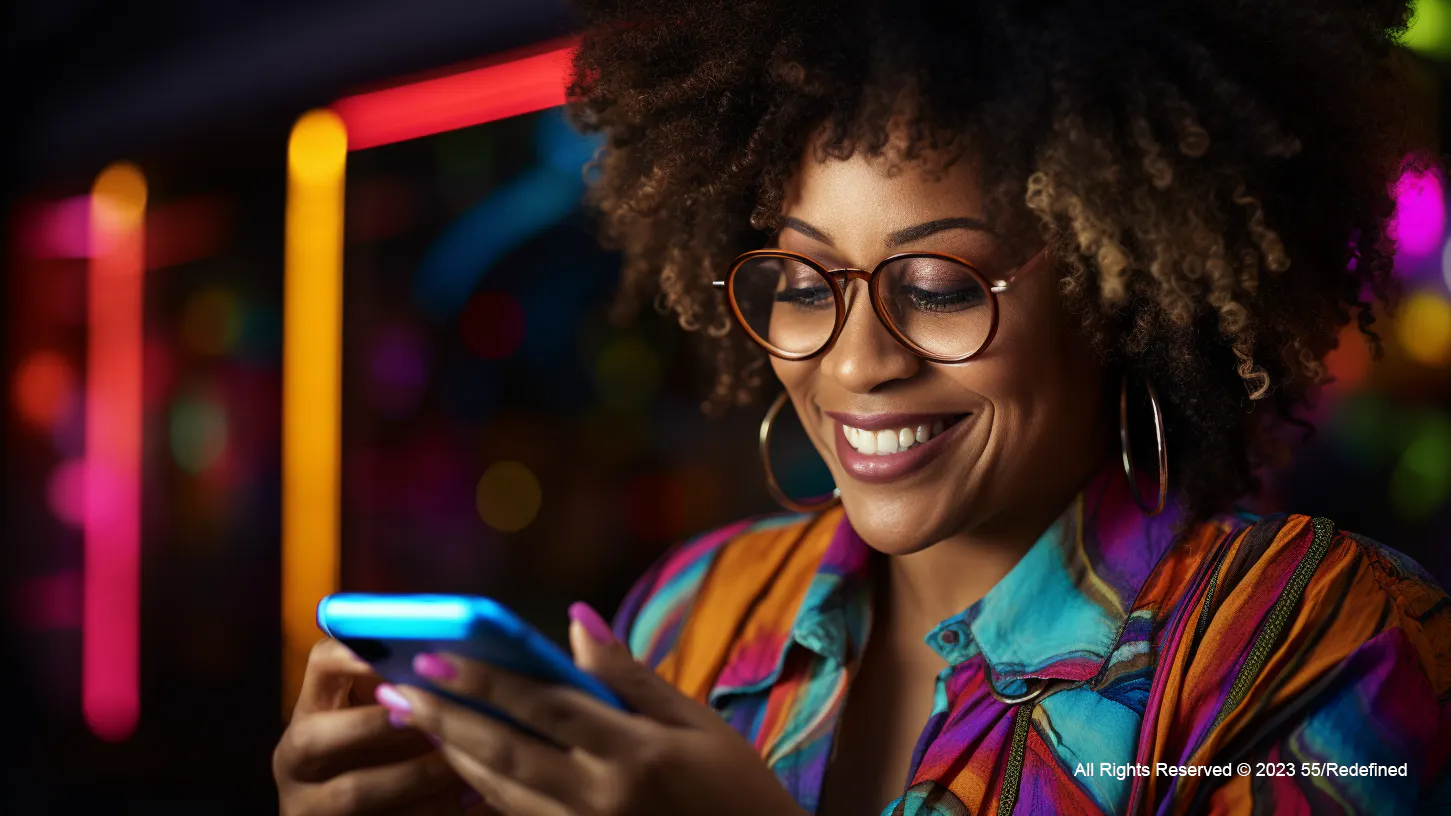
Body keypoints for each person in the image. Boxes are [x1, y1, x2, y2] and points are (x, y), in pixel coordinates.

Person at [273, 1, 1451, 813]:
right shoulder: (688, 619)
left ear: (1118, 285)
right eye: (800, 282)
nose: (852, 361)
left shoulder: (1324, 656)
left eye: (935, 288)